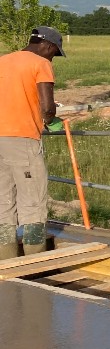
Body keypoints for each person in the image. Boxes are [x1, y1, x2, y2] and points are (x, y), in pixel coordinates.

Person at [0, 26, 66, 260]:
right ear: (47, 45)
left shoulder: (3, 60)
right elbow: (47, 107)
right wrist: (51, 120)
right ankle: (34, 266)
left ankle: (6, 263)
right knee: (33, 202)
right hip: (23, 139)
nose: (53, 58)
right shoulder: (40, 64)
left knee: (3, 202)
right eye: (55, 53)